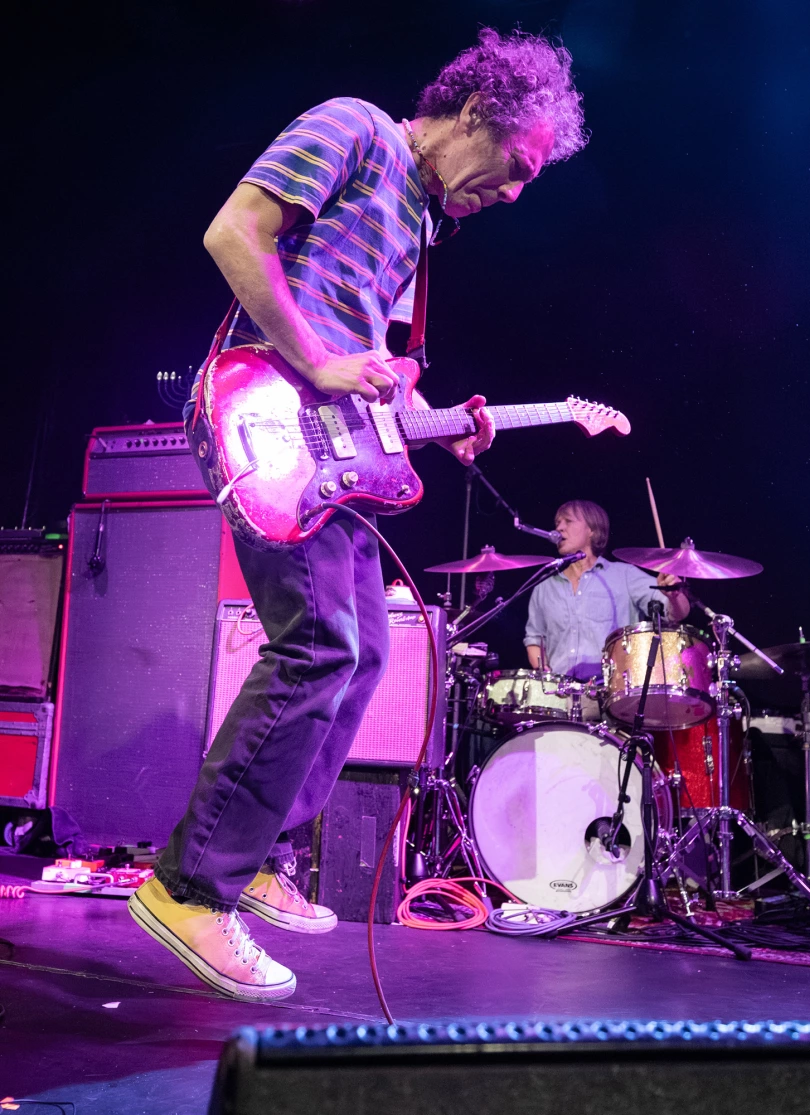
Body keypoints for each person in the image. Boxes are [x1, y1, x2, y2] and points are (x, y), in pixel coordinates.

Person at [129, 29, 588, 1001]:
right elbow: (234, 233)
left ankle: (257, 854)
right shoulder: (355, 128)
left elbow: (368, 372)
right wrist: (317, 360)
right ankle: (189, 887)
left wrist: (436, 422)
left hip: (329, 444)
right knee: (320, 645)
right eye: (518, 165)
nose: (515, 193)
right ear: (477, 113)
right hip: (263, 410)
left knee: (367, 648)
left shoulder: (419, 225)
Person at [525, 500, 690, 680]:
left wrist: (674, 596)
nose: (559, 528)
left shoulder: (624, 575)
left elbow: (676, 614)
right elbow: (534, 639)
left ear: (592, 530)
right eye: (557, 523)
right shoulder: (544, 586)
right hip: (559, 691)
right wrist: (545, 673)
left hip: (611, 688)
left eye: (568, 521)